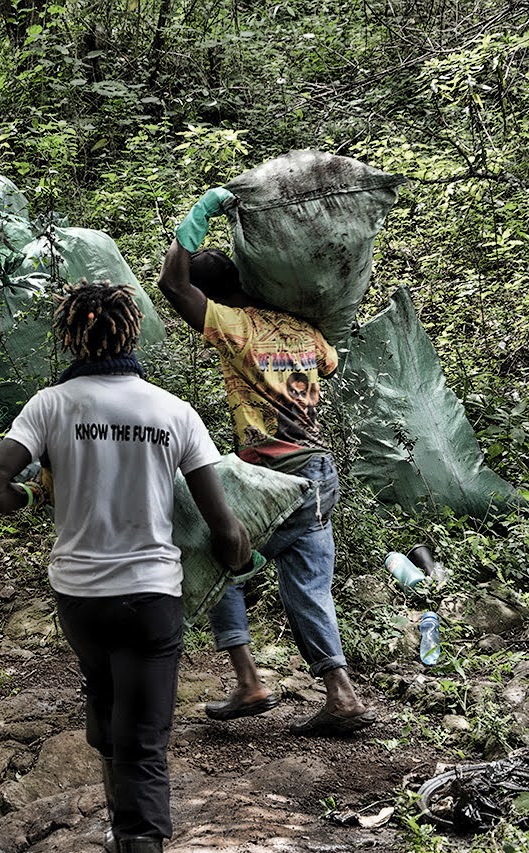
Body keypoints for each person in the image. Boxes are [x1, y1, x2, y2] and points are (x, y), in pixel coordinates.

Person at [0, 279, 251, 853]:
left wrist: (33, 500)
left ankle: (122, 830)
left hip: (81, 601)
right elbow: (225, 531)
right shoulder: (173, 411)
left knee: (105, 698)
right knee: (144, 745)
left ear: (70, 336)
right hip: (151, 598)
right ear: (131, 334)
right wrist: (241, 545)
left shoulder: (51, 406)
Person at [158, 190, 375, 736]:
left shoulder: (234, 327)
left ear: (219, 298)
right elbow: (328, 365)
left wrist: (200, 215)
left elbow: (172, 285)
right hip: (321, 474)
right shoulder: (305, 330)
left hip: (271, 475)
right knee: (308, 586)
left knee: (215, 554)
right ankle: (341, 694)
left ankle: (248, 678)